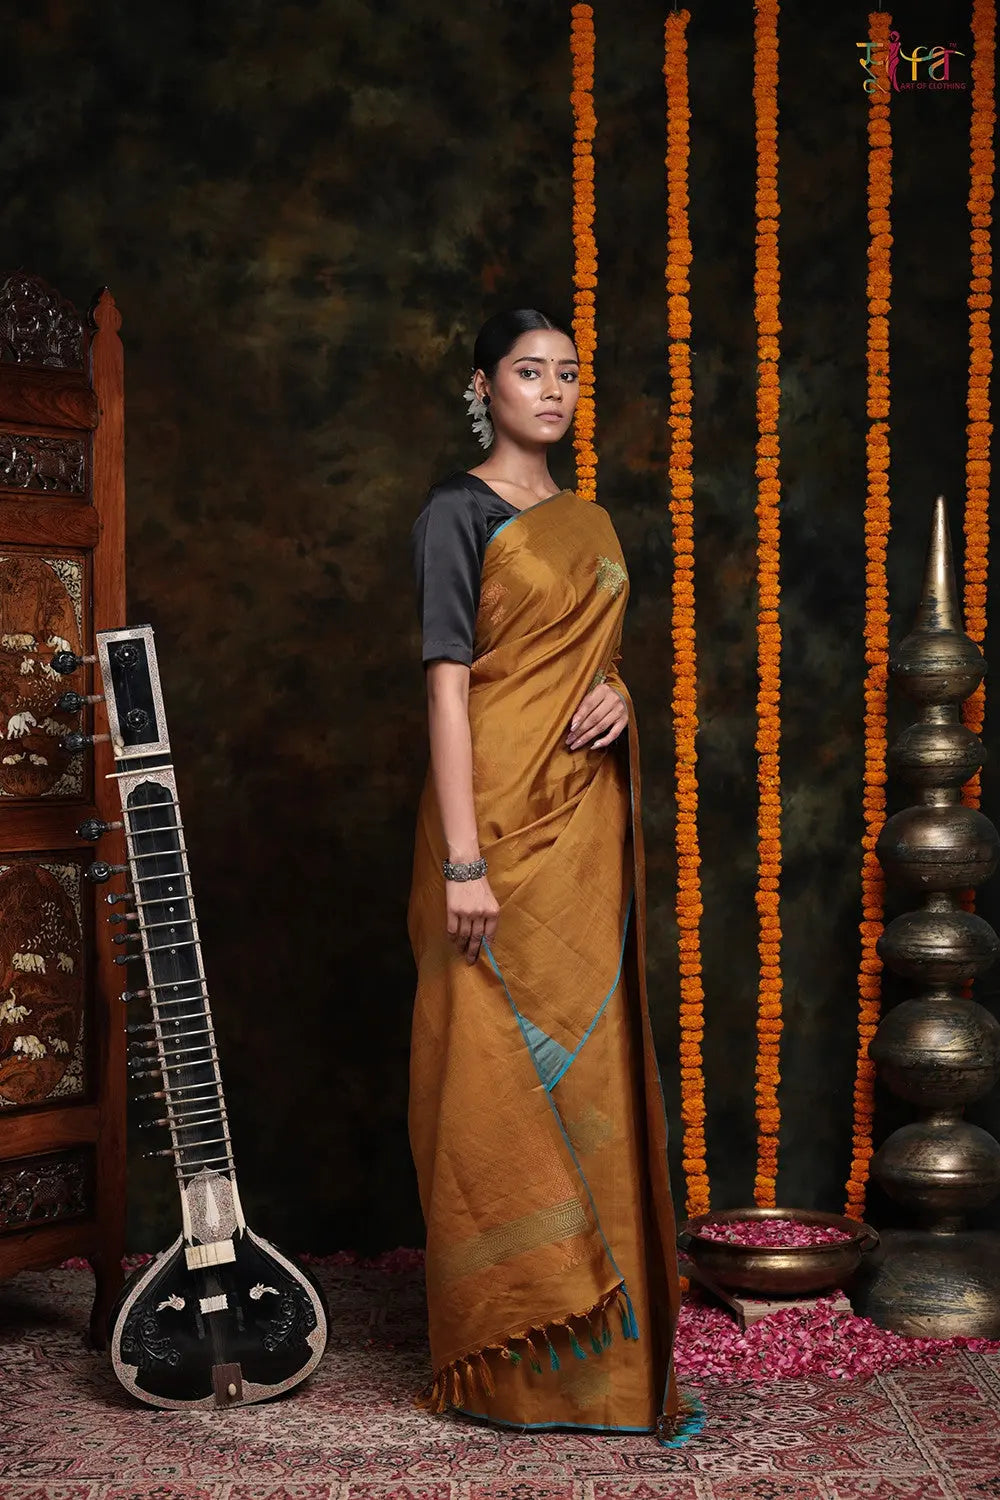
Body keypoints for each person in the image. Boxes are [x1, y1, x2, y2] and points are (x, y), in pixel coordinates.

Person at [407, 308, 695, 1442]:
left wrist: (621, 699)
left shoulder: (590, 521)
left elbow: (591, 663)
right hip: (490, 822)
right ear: (484, 386)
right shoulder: (455, 512)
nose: (553, 390)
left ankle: (608, 1377)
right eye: (530, 372)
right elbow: (448, 689)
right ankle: (509, 1364)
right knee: (489, 1070)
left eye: (568, 373)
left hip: (580, 820)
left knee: (590, 1072)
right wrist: (462, 862)